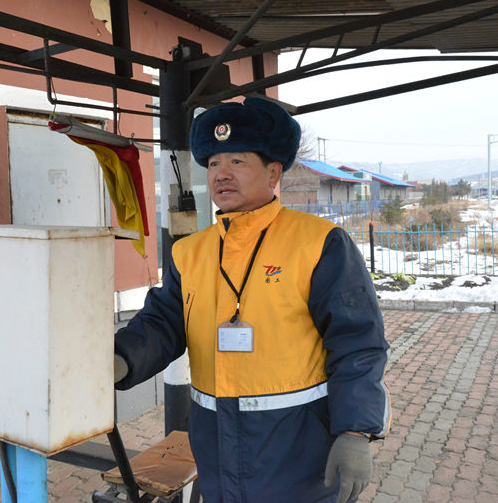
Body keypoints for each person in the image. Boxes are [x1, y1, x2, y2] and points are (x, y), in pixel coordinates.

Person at [113, 97, 390, 503]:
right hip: (216, 447)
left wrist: (355, 431)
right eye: (213, 165)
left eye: (237, 162)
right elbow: (161, 323)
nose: (222, 175)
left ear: (274, 171)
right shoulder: (189, 252)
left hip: (296, 449)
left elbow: (358, 343)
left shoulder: (320, 244)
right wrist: (120, 359)